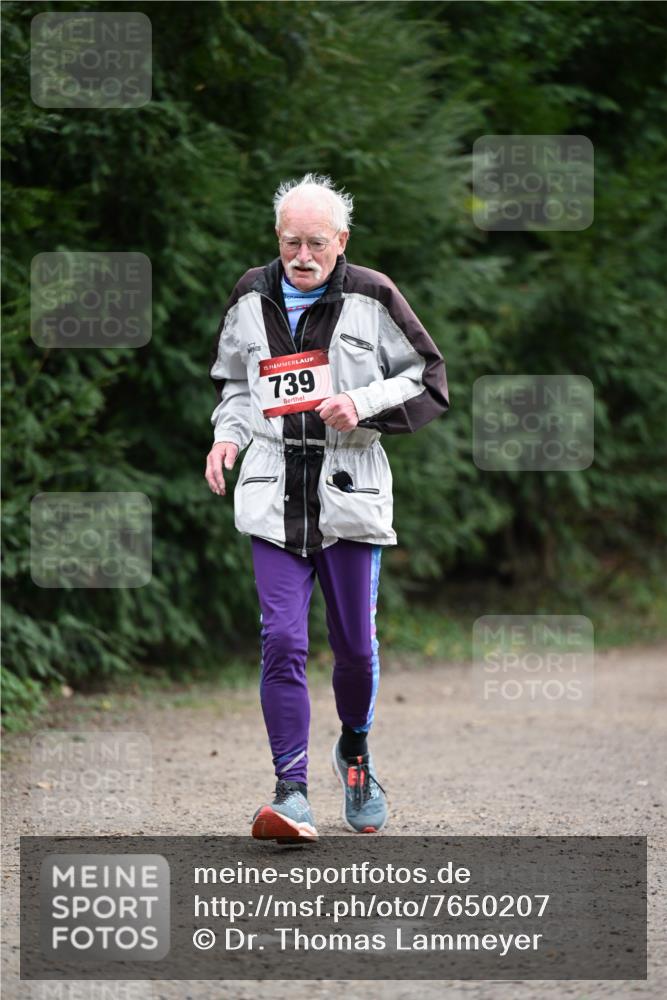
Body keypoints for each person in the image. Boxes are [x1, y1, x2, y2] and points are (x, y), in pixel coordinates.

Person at [205, 174, 448, 842]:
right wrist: (227, 438)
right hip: (273, 494)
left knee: (356, 651)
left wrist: (361, 403)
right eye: (291, 243)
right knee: (282, 641)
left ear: (342, 241)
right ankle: (291, 792)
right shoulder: (250, 295)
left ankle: (356, 753)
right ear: (277, 239)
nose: (303, 256)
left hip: (349, 491)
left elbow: (427, 378)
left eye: (316, 243)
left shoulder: (373, 294)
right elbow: (234, 385)